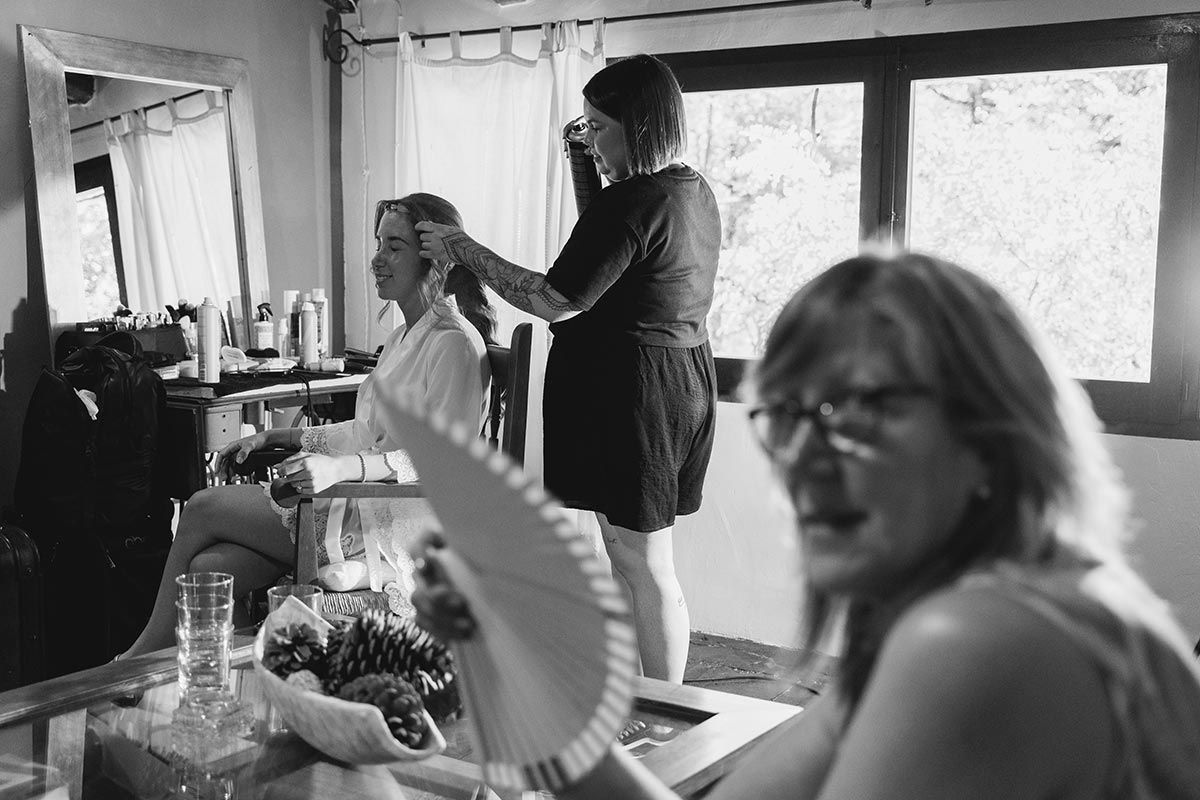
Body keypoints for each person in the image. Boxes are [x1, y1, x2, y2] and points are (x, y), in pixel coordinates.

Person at [414, 251, 1200, 798]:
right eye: (788, 414)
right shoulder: (950, 616)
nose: (808, 457)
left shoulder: (986, 641)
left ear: (989, 430)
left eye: (864, 408)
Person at [416, 54, 720, 682]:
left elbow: (553, 300)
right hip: (680, 381)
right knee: (630, 557)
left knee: (643, 562)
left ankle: (668, 709)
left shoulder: (634, 202)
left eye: (600, 128)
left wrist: (462, 248)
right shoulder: (689, 190)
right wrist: (586, 158)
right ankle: (645, 697)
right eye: (585, 127)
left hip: (639, 394)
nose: (592, 141)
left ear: (640, 126)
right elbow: (608, 253)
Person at [121, 193, 494, 656]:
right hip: (361, 502)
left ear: (434, 257)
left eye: (394, 247)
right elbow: (363, 433)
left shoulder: (453, 344)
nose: (377, 259)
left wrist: (341, 469)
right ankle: (219, 672)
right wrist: (278, 435)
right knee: (207, 567)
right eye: (378, 244)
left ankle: (138, 658)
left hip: (396, 523)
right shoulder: (403, 337)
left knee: (200, 506)